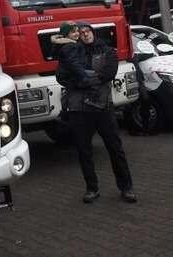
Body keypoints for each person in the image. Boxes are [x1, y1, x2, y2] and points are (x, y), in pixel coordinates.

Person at [57, 21, 137, 204]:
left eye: (87, 31)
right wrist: (85, 81)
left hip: (102, 106)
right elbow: (61, 77)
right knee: (83, 151)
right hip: (79, 109)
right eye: (81, 32)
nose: (85, 34)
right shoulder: (70, 52)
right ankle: (92, 189)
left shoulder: (107, 51)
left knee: (115, 149)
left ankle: (126, 187)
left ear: (93, 32)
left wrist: (82, 81)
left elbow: (108, 74)